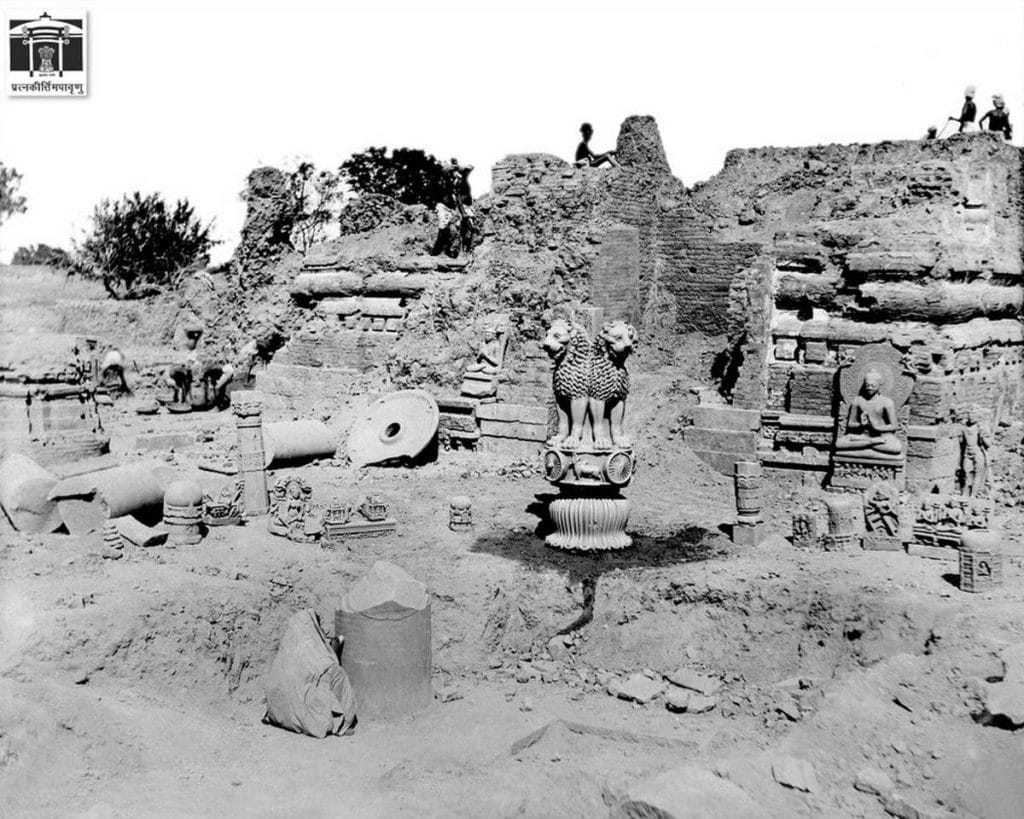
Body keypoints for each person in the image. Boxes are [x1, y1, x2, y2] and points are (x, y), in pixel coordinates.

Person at [834, 367, 903, 456]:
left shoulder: (887, 402)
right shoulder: (858, 401)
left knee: (896, 448)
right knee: (839, 443)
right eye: (867, 385)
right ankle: (871, 443)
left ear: (879, 386)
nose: (869, 388)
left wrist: (876, 427)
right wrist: (860, 424)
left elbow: (894, 426)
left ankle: (864, 444)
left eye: (873, 386)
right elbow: (850, 424)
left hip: (881, 436)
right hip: (862, 436)